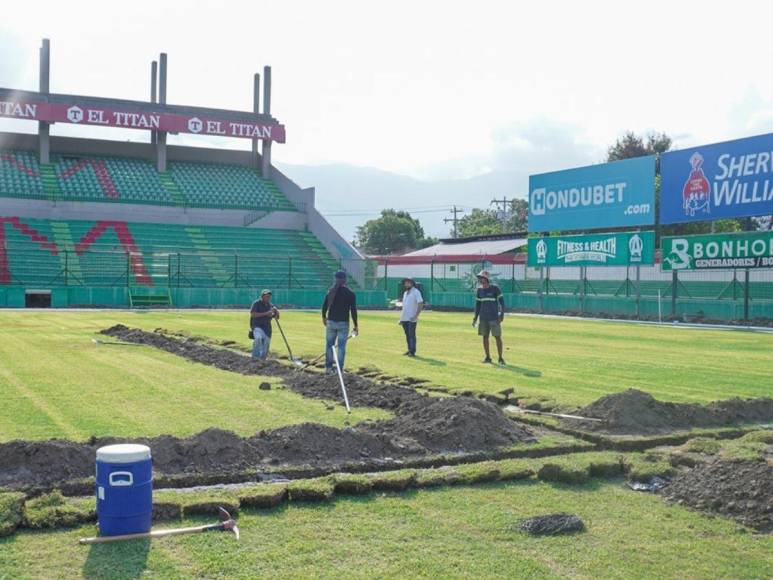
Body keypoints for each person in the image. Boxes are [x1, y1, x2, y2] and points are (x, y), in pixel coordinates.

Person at [322, 270, 358, 372]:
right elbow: (353, 311)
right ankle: (339, 369)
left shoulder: (331, 291)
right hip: (343, 323)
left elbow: (324, 306)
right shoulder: (350, 293)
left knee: (329, 345)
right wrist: (356, 325)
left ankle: (328, 368)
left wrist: (324, 317)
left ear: (335, 279)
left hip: (331, 321)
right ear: (345, 280)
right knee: (341, 347)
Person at [472, 270, 506, 365]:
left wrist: (502, 314)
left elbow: (502, 302)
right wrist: (475, 318)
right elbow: (477, 305)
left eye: (481, 277)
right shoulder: (479, 290)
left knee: (497, 337)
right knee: (485, 337)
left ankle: (500, 358)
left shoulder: (495, 289)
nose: (480, 279)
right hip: (483, 318)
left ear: (486, 279)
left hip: (494, 318)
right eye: (479, 278)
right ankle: (487, 357)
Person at [250, 289, 278, 360]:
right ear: (262, 296)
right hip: (257, 326)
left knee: (266, 345)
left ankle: (263, 360)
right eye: (266, 296)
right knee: (258, 338)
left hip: (267, 328)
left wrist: (276, 312)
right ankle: (255, 357)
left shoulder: (270, 306)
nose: (268, 298)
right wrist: (266, 313)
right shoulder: (256, 303)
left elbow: (276, 317)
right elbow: (253, 314)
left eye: (269, 297)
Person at [399, 277, 424, 356]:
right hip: (405, 318)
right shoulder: (405, 293)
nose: (406, 284)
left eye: (408, 283)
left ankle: (412, 351)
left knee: (411, 335)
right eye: (405, 283)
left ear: (412, 283)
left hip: (412, 318)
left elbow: (420, 304)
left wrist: (416, 315)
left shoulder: (416, 292)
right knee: (407, 335)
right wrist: (401, 319)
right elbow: (404, 307)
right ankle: (409, 349)